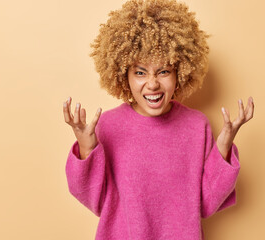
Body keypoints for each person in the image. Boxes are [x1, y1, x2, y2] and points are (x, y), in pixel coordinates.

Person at [62, 0, 254, 239]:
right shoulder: (109, 126)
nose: (152, 84)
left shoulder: (197, 126)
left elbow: (206, 204)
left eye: (163, 71)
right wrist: (86, 147)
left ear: (180, 73)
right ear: (124, 75)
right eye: (140, 72)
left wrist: (224, 146)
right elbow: (95, 201)